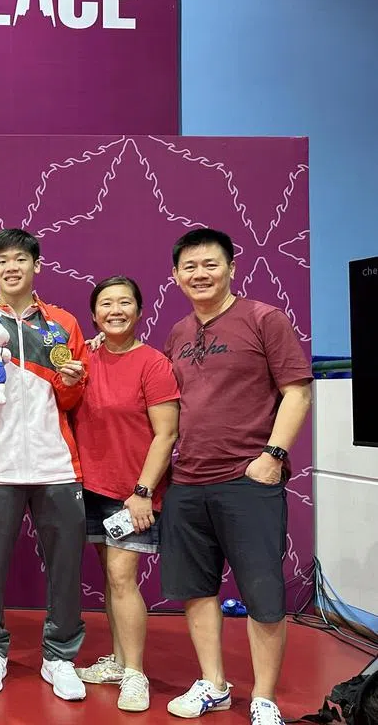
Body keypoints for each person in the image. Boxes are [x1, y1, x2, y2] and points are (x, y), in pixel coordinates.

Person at [159, 228, 312, 725]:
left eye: (210, 264)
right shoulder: (179, 333)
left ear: (231, 267)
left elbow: (297, 392)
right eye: (190, 267)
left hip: (248, 481)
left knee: (263, 593)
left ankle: (264, 698)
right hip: (187, 482)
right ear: (176, 275)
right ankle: (214, 684)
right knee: (197, 590)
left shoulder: (264, 318)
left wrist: (272, 456)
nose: (200, 274)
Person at [0, 228, 89, 700]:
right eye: (1, 261)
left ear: (36, 265)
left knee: (64, 566)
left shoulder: (62, 324)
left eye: (20, 259)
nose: (11, 267)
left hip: (55, 463)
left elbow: (73, 397)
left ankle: (59, 656)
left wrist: (72, 380)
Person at [71, 276, 180, 713]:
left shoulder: (153, 363)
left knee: (121, 579)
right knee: (110, 579)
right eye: (106, 304)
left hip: (131, 492)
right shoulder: (86, 357)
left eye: (124, 303)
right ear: (94, 314)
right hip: (88, 486)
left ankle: (135, 674)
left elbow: (166, 433)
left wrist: (143, 491)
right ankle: (118, 662)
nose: (115, 311)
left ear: (139, 311)